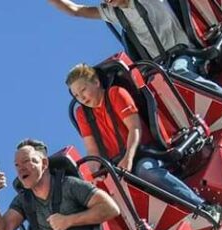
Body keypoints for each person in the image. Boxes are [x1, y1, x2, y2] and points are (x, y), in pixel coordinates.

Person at [66, 63, 212, 211]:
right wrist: (95, 176)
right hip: (117, 165)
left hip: (143, 153)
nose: (81, 98)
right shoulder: (82, 114)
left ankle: (202, 206)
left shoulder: (116, 93)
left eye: (83, 90)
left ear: (96, 82)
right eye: (76, 95)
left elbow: (134, 128)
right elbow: (92, 150)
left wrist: (128, 158)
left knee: (146, 171)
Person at [47, 0, 222, 95]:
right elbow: (75, 10)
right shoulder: (115, 13)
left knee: (178, 72)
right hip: (161, 66)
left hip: (187, 52)